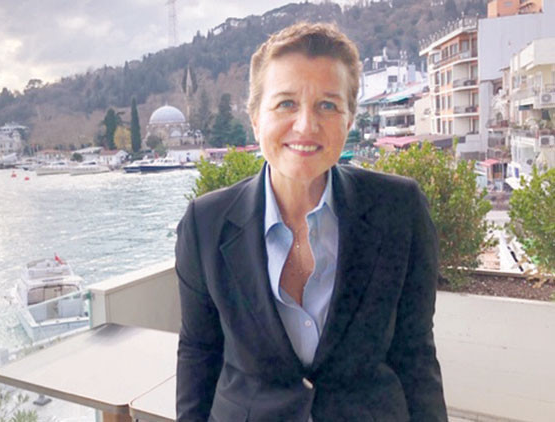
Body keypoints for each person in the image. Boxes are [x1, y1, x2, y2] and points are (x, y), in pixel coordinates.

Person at [175, 22, 447, 421]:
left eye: (328, 105)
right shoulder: (206, 224)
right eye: (286, 103)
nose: (305, 125)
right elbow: (198, 352)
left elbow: (415, 353)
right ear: (255, 117)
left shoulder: (399, 209)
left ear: (349, 120)